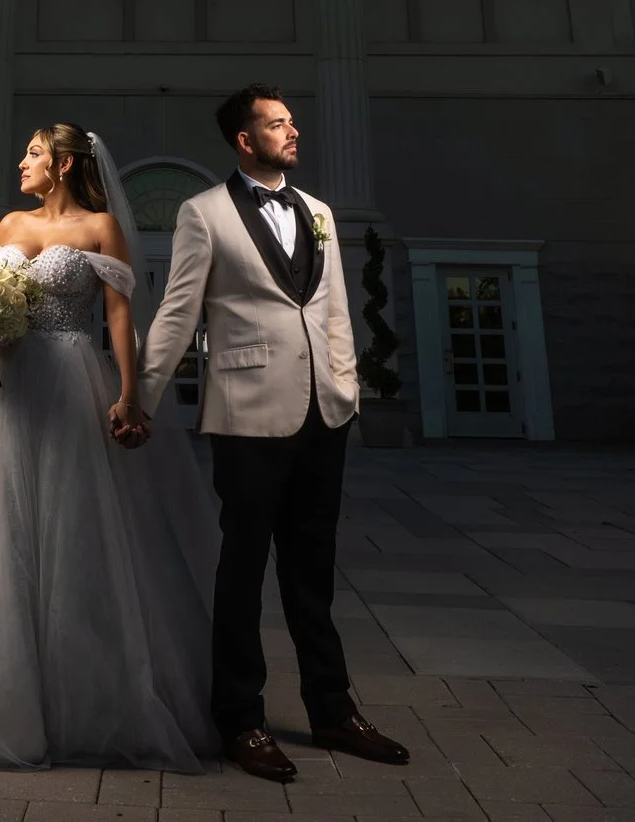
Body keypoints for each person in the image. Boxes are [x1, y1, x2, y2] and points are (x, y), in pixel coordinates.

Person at [0, 123, 222, 771]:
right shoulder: (6, 225)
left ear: (66, 162)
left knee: (75, 532)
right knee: (4, 533)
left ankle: (88, 702)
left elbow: (118, 318)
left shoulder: (100, 227)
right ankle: (1, 701)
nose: (21, 161)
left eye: (32, 152)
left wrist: (132, 394)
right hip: (5, 392)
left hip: (72, 380)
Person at [130, 85, 411, 783]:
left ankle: (333, 709)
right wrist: (142, 395)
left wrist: (347, 387)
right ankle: (241, 718)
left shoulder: (317, 212)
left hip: (324, 411)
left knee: (313, 570)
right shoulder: (204, 212)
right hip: (248, 411)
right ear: (243, 139)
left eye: (292, 120)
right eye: (277, 123)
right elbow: (176, 313)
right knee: (244, 569)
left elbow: (335, 306)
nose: (293, 130)